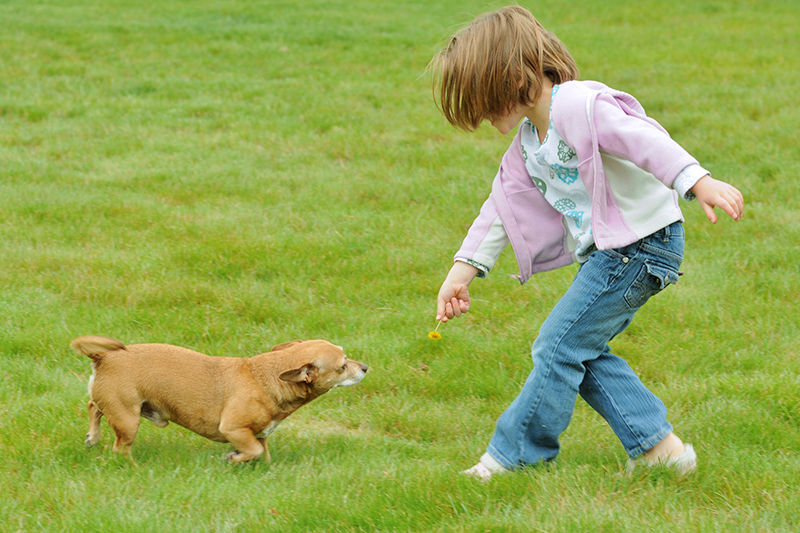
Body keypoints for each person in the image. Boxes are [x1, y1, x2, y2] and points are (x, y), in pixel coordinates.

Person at [428, 6, 744, 481]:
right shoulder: (529, 141)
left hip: (642, 247)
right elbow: (500, 207)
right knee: (580, 349)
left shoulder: (579, 105)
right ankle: (662, 451)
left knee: (556, 345)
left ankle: (514, 456)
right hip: (614, 255)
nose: (479, 115)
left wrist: (695, 180)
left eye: (481, 98)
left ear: (514, 77)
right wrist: (462, 271)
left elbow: (642, 139)